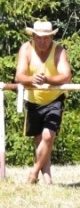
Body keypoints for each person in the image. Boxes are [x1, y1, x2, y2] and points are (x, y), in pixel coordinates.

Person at [12, 20, 72, 185]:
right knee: (40, 140)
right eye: (39, 38)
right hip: (33, 99)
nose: (43, 41)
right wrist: (32, 79)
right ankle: (47, 178)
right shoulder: (26, 49)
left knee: (48, 136)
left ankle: (33, 173)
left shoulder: (59, 51)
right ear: (33, 36)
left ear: (52, 37)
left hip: (54, 98)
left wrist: (48, 79)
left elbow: (66, 75)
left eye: (46, 38)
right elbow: (19, 76)